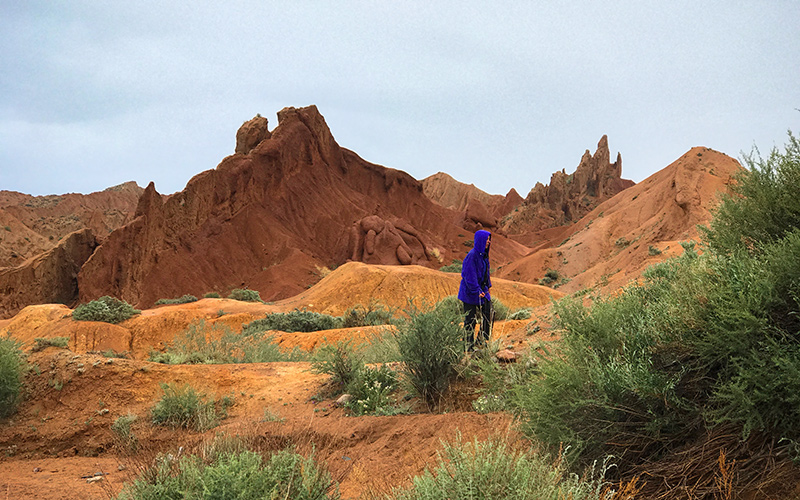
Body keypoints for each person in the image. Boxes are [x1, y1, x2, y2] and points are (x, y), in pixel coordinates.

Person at [458, 229, 493, 352]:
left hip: (481, 291)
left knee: (489, 313)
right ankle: (468, 347)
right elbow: (469, 276)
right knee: (470, 320)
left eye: (489, 239)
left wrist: (487, 287)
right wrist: (477, 290)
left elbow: (485, 274)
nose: (488, 241)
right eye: (486, 239)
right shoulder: (472, 256)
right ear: (480, 240)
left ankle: (482, 340)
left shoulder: (483, 256)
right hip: (469, 293)